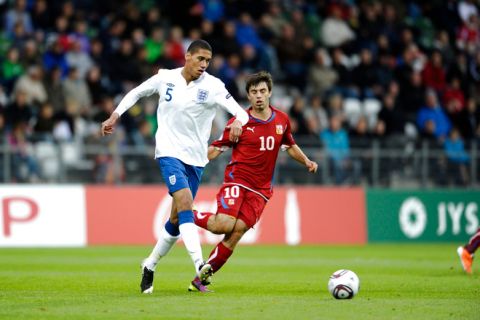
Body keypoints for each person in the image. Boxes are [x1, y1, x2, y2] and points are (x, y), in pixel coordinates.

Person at [100, 39, 249, 294]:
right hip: (168, 152)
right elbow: (136, 92)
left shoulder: (214, 86)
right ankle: (200, 265)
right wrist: (115, 115)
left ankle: (149, 264)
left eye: (208, 61)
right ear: (187, 57)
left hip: (196, 159)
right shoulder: (165, 78)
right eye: (200, 58)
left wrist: (238, 122)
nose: (204, 64)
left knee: (176, 219)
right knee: (185, 201)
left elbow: (242, 113)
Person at [188, 71, 318, 292]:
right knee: (223, 225)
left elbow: (289, 145)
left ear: (270, 93)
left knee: (237, 232)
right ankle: (184, 213)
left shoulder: (282, 120)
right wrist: (192, 163)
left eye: (262, 91)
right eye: (254, 92)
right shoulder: (238, 123)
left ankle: (200, 279)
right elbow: (216, 149)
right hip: (237, 181)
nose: (259, 95)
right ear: (248, 96)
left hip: (261, 191)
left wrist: (306, 161)